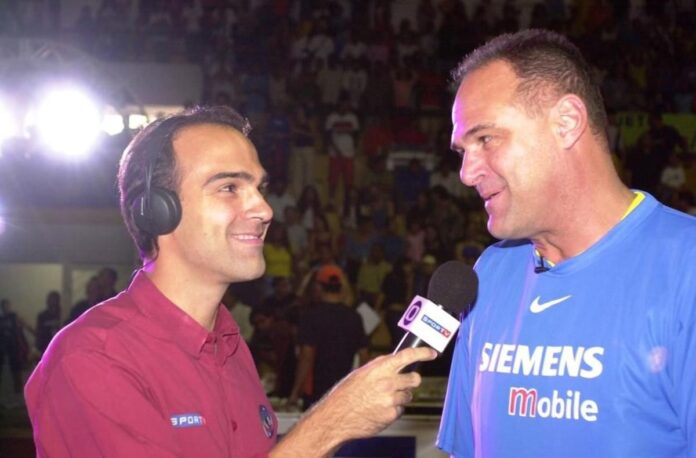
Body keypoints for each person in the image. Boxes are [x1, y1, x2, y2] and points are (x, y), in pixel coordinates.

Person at [25, 105, 436, 457]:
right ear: (157, 211)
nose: (264, 209)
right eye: (229, 187)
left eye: (259, 188)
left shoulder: (231, 348)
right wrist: (330, 425)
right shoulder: (94, 358)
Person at [438, 29, 696, 458]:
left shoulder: (686, 270)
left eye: (485, 139)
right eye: (462, 151)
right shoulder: (490, 274)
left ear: (567, 122)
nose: (466, 173)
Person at [288, 264, 369, 410]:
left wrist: (295, 392)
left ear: (318, 286)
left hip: (316, 392)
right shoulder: (354, 317)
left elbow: (306, 356)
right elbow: (364, 356)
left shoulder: (311, 316)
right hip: (344, 391)